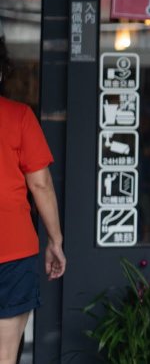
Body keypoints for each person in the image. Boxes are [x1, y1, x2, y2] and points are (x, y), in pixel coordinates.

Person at [0, 36, 65, 364]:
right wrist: (55, 240)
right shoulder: (18, 117)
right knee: (5, 354)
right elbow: (41, 186)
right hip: (12, 251)